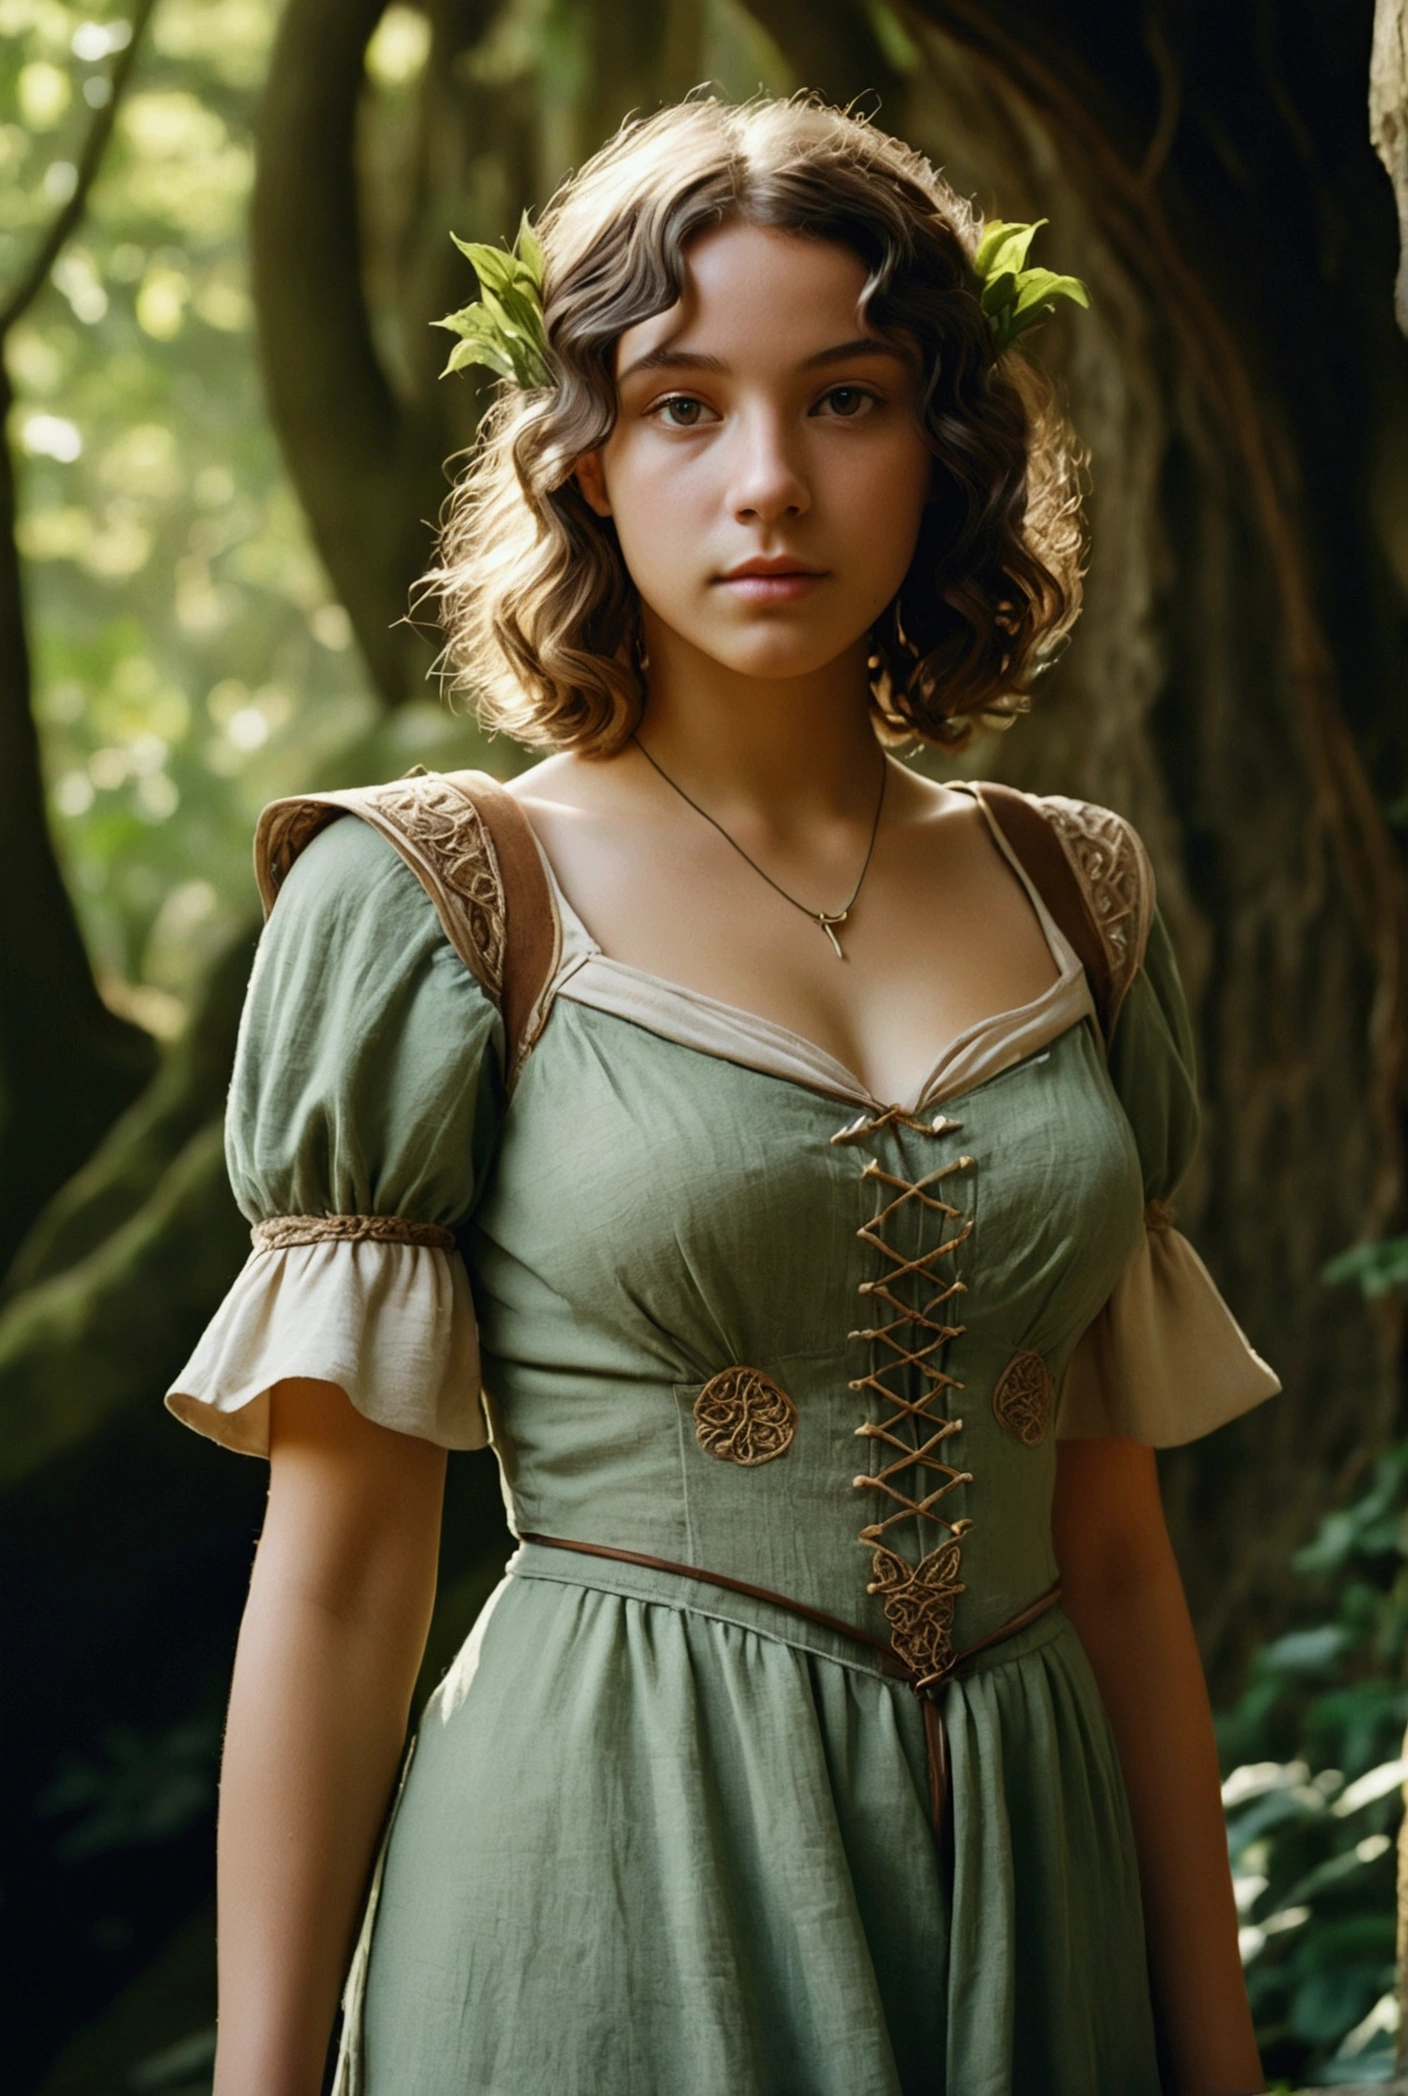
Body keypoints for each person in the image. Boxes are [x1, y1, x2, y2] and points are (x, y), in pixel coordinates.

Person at [169, 95, 1280, 2096]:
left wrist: (1217, 2057)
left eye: (841, 400)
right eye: (683, 405)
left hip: (1040, 1890)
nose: (766, 482)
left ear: (940, 449)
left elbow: (1114, 1550)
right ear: (583, 456)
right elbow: (338, 1574)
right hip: (609, 1867)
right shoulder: (432, 897)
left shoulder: (1075, 895)